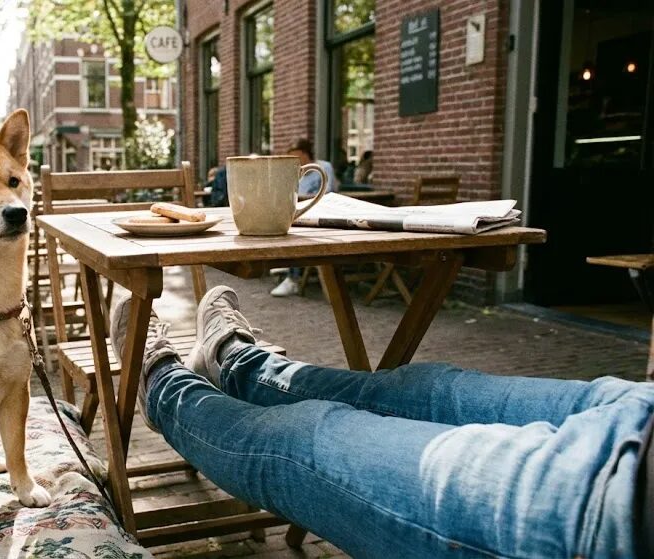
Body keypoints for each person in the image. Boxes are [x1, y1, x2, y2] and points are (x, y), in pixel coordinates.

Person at [109, 287, 653, 559]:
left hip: (611, 510)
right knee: (420, 386)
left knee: (308, 441)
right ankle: (239, 364)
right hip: (637, 412)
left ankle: (160, 385)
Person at [271, 138, 338, 297]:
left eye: (295, 155)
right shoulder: (298, 172)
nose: (295, 159)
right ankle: (286, 262)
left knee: (295, 231)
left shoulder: (323, 166)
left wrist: (305, 197)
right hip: (303, 210)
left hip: (323, 211)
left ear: (303, 153)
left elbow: (328, 190)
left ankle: (292, 278)